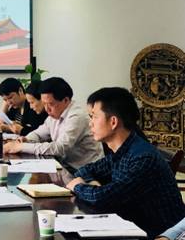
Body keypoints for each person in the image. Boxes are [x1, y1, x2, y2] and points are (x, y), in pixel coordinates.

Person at [66, 87, 185, 238]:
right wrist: (94, 184)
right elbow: (84, 171)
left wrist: (78, 186)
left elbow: (103, 199)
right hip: (132, 228)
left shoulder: (142, 158)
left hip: (160, 235)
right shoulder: (122, 151)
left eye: (94, 117)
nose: (90, 124)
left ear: (113, 122)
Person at [4, 77, 104, 169]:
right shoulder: (55, 114)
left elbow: (60, 148)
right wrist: (26, 139)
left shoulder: (76, 116)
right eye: (44, 104)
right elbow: (38, 133)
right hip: (65, 166)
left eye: (50, 104)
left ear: (65, 100)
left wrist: (21, 147)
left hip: (85, 170)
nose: (47, 109)